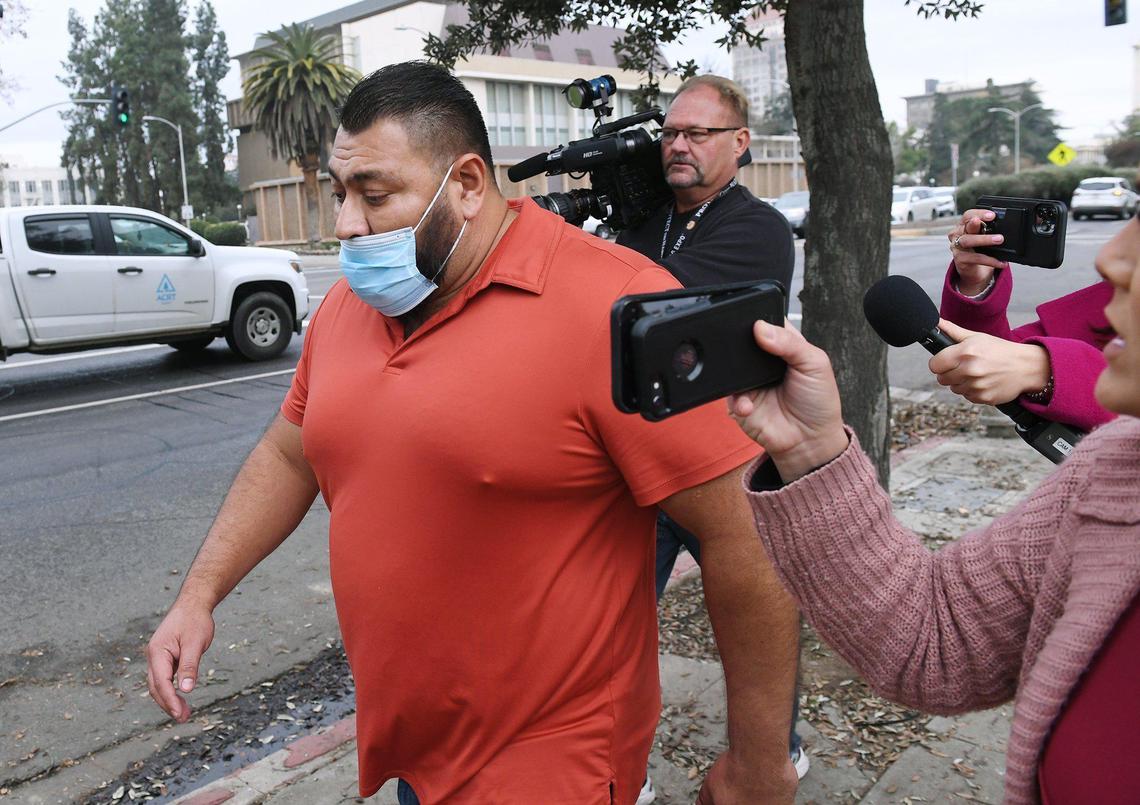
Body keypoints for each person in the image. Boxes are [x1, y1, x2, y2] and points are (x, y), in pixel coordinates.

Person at [145, 62, 800, 805]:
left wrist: (760, 764)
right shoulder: (349, 309)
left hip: (554, 765)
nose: (347, 225)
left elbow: (747, 533)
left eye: (374, 194)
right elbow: (288, 454)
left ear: (466, 183)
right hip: (413, 752)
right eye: (338, 192)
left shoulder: (614, 305)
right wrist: (198, 595)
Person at [727, 211, 1140, 803]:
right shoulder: (1113, 476)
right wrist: (810, 451)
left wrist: (1051, 367)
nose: (1112, 258)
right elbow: (936, 641)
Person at [612, 75, 804, 792]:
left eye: (697, 134)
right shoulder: (646, 219)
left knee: (756, 629)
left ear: (740, 143)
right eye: (669, 134)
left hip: (731, 462)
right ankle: (617, 767)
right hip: (649, 457)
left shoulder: (756, 228)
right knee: (618, 621)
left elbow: (651, 296)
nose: (678, 146)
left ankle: (772, 751)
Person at [933, 207, 1116, 432]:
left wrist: (1047, 370)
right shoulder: (1118, 295)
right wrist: (976, 283)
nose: (1111, 256)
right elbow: (997, 358)